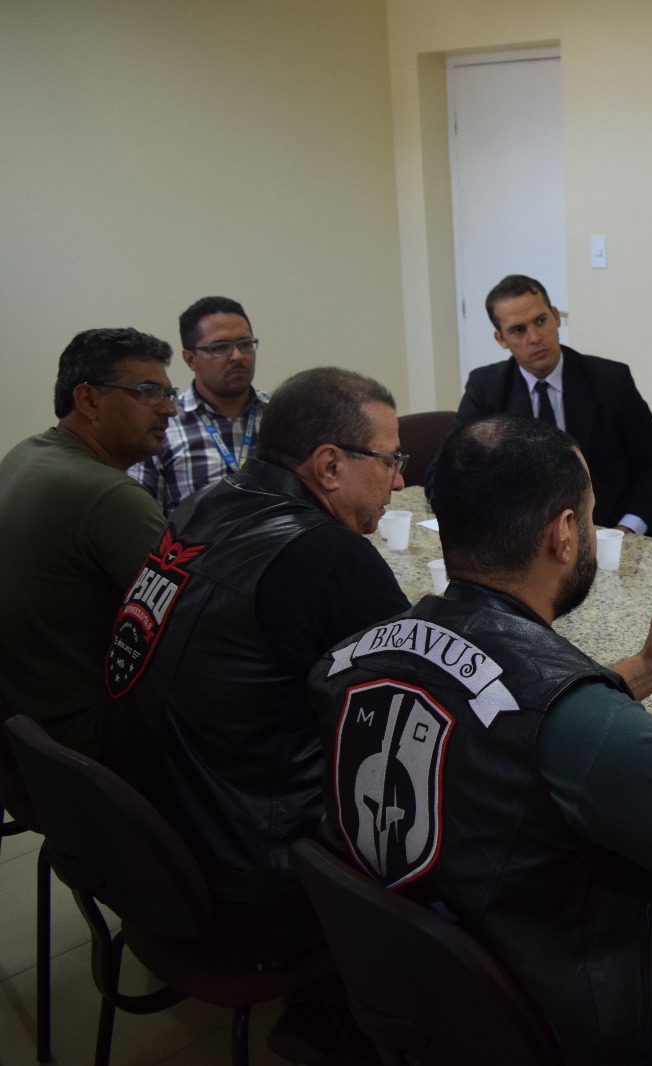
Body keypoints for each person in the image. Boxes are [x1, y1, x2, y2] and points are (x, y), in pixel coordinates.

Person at [311, 415, 652, 1065]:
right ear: (564, 534)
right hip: (582, 1023)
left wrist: (643, 670)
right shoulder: (584, 723)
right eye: (589, 515)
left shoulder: (351, 659)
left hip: (455, 998)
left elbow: (497, 701)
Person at [105, 367, 412, 961]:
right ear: (329, 465)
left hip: (154, 850)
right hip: (256, 882)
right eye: (391, 460)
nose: (399, 482)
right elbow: (428, 706)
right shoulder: (327, 557)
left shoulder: (204, 503)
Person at [0, 328, 174, 755]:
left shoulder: (26, 455)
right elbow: (200, 626)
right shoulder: (109, 497)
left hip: (29, 736)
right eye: (148, 392)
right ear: (89, 400)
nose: (169, 409)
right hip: (89, 746)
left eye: (170, 392)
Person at [427, 274, 652, 538]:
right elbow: (443, 477)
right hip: (525, 542)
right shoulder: (486, 389)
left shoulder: (610, 380)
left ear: (556, 317)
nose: (534, 337)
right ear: (501, 339)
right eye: (518, 330)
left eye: (540, 321)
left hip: (608, 532)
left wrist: (627, 529)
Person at [128, 296, 270, 513]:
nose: (238, 356)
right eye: (220, 347)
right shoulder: (162, 425)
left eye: (245, 344)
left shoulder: (281, 415)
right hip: (202, 547)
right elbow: (142, 520)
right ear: (190, 359)